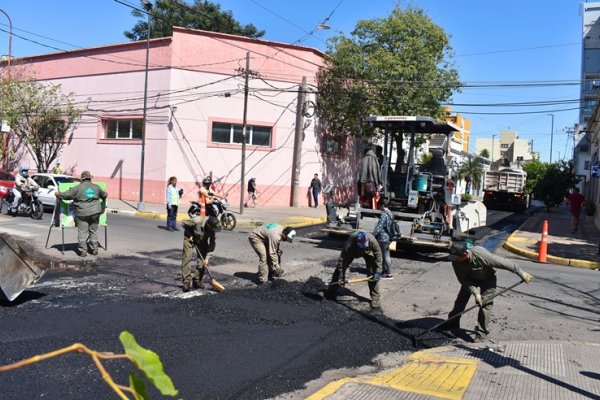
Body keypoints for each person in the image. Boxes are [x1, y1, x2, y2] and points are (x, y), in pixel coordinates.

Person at [441, 240, 534, 342]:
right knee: (461, 301)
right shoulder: (456, 262)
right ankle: (452, 323)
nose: (456, 260)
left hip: (488, 279)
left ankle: (481, 333)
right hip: (470, 279)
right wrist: (476, 293)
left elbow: (504, 263)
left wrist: (521, 273)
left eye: (458, 257)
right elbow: (463, 279)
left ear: (465, 254)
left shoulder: (481, 254)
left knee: (485, 304)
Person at [55, 171, 107, 257]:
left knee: (82, 232)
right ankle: (94, 249)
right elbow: (104, 195)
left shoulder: (77, 188)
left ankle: (83, 251)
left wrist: (58, 194)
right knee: (93, 231)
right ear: (90, 178)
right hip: (95, 213)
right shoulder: (96, 187)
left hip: (82, 213)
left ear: (82, 179)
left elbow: (66, 195)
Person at [325, 230, 383, 309]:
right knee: (338, 270)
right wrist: (341, 276)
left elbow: (378, 256)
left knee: (373, 273)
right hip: (353, 252)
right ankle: (331, 291)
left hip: (368, 252)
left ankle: (375, 298)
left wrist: (378, 271)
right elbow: (342, 260)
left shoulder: (372, 240)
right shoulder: (350, 243)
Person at [180, 215, 221, 292]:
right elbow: (183, 223)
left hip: (202, 240)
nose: (214, 231)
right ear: (208, 225)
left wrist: (207, 258)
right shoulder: (197, 220)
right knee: (187, 258)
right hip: (189, 238)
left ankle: (197, 280)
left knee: (202, 260)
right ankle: (186, 281)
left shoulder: (213, 230)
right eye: (213, 229)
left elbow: (212, 244)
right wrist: (189, 234)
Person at [372, 197, 394, 279]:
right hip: (388, 237)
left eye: (379, 205)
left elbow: (379, 226)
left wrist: (373, 234)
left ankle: (389, 274)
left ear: (383, 205)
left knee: (385, 256)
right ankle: (385, 271)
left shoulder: (384, 214)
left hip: (383, 238)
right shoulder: (390, 213)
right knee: (386, 255)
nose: (379, 207)